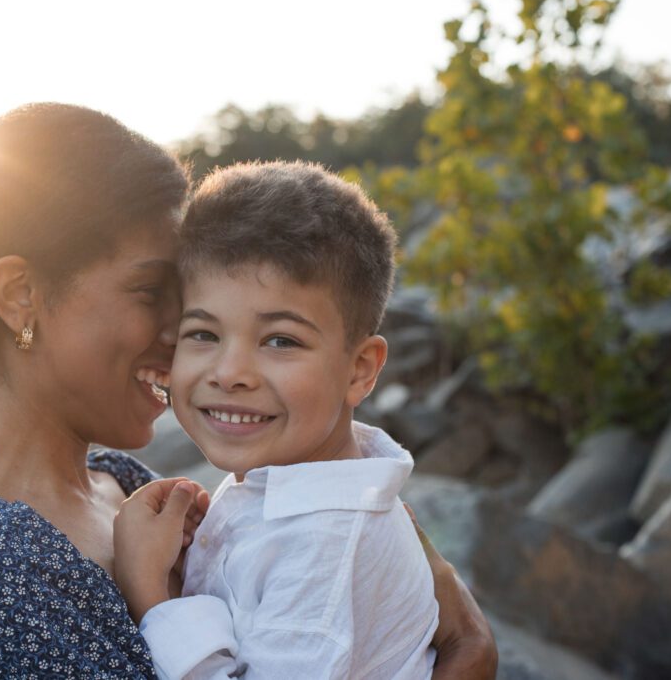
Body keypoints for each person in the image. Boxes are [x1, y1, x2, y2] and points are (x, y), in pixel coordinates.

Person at [0, 103, 497, 679]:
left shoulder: (124, 486)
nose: (183, 340)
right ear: (19, 296)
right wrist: (467, 648)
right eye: (152, 294)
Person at [113, 161, 439, 678]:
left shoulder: (328, 547)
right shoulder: (283, 487)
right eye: (203, 334)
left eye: (281, 341)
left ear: (359, 370)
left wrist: (151, 597)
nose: (231, 372)